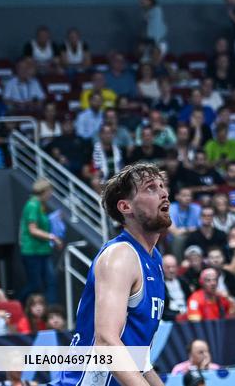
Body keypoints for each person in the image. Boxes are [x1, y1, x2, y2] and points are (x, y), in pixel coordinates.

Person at [54, 164, 170, 386]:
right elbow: (106, 342)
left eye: (162, 186)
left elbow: (140, 362)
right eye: (151, 188)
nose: (164, 193)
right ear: (126, 207)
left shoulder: (154, 261)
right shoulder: (121, 255)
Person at [19, 179, 62, 303]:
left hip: (43, 250)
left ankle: (51, 314)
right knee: (35, 285)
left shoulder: (40, 205)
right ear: (44, 191)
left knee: (51, 282)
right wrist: (52, 237)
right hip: (32, 251)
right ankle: (16, 307)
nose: (50, 194)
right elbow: (33, 229)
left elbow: (41, 224)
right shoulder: (33, 204)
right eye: (50, 191)